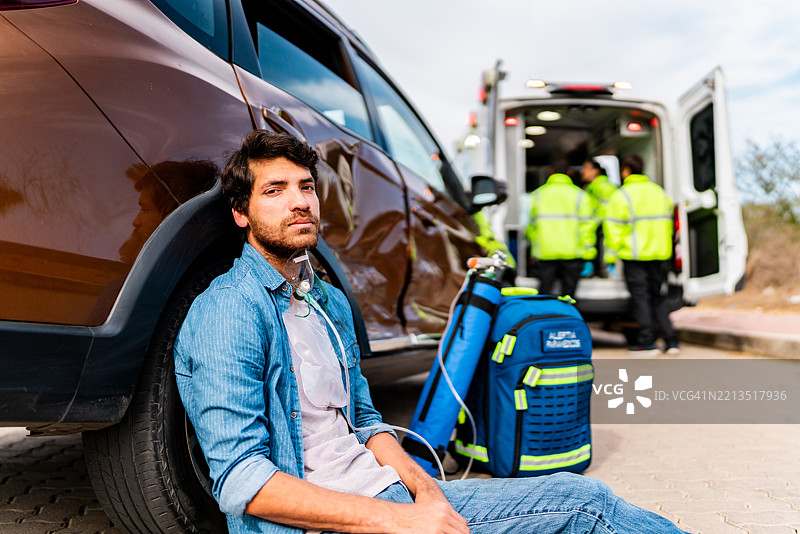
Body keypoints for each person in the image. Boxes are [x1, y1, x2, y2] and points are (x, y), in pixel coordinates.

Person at [175, 130, 687, 534]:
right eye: (275, 191)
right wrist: (402, 520)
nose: (300, 202)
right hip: (334, 519)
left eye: (306, 187)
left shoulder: (326, 302)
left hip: (389, 496)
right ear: (241, 214)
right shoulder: (228, 312)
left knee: (558, 500)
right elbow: (242, 481)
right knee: (588, 505)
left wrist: (427, 491)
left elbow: (367, 422)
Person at [604, 154, 680, 356]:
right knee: (658, 297)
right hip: (659, 254)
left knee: (641, 299)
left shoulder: (621, 196)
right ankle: (671, 341)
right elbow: (670, 222)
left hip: (634, 255)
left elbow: (613, 231)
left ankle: (647, 343)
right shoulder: (659, 192)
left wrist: (610, 258)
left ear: (626, 171)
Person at [525, 161, 596, 298]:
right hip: (573, 253)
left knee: (544, 294)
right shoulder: (581, 195)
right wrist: (588, 254)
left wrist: (535, 246)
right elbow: (587, 227)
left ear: (550, 173)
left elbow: (531, 226)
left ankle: (544, 318)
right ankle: (567, 317)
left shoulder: (537, 195)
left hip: (545, 253)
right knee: (569, 297)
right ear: (569, 173)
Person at [580, 158, 618, 278]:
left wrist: (592, 222)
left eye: (585, 168)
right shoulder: (591, 188)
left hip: (603, 231)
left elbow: (608, 211)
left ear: (595, 171)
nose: (582, 171)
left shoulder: (604, 187)